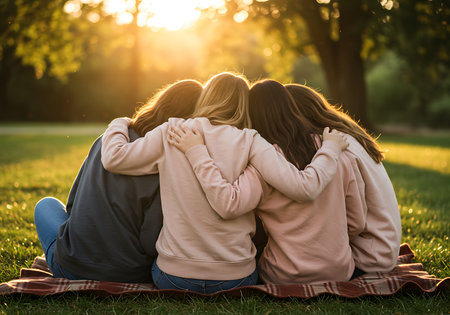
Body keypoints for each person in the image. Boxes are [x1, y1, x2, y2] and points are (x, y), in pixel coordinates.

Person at [100, 72, 349, 293]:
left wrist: (120, 122)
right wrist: (330, 149)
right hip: (236, 278)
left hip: (174, 277)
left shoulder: (173, 130)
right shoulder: (251, 140)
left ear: (206, 97)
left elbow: (113, 158)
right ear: (244, 106)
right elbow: (305, 188)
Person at [168, 79, 366, 284]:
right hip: (339, 272)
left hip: (283, 275)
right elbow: (356, 223)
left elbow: (231, 204)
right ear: (292, 106)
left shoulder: (263, 167)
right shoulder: (336, 153)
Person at [34, 79, 203, 283]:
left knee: (47, 204)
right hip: (131, 273)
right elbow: (151, 241)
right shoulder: (170, 161)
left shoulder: (109, 140)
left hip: (72, 266)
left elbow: (73, 205)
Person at [285, 83, 401, 273]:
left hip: (369, 257)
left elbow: (353, 222)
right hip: (384, 247)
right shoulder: (346, 134)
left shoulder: (333, 147)